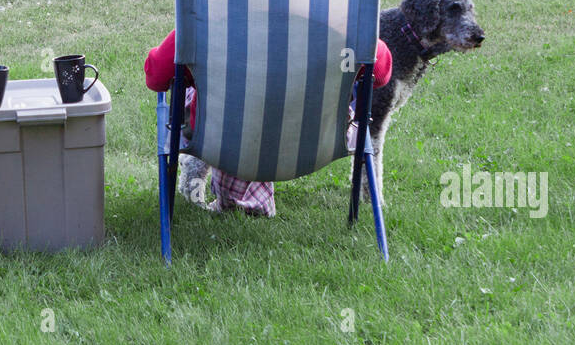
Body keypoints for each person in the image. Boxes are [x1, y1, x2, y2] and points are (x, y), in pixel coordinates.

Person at [145, 29, 392, 217]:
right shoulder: (342, 24)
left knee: (196, 88)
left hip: (225, 136)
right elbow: (380, 72)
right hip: (316, 139)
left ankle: (220, 186)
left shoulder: (205, 21)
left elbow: (156, 76)